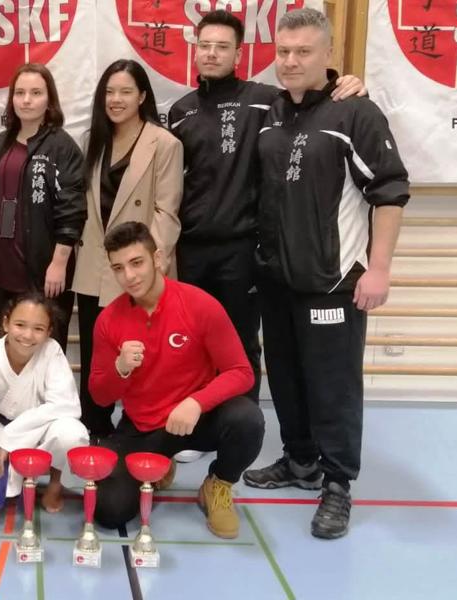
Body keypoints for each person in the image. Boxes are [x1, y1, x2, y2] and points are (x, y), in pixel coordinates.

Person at [166, 10, 365, 463]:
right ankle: (196, 430)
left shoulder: (268, 101)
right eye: (205, 45)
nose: (212, 53)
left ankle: (242, 433)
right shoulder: (181, 111)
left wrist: (348, 84)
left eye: (222, 46)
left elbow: (312, 101)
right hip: (191, 247)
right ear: (195, 51)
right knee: (191, 342)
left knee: (239, 344)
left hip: (244, 248)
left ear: (239, 53)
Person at [244, 8, 409, 540]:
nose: (289, 62)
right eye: (283, 51)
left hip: (332, 282)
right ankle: (299, 461)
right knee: (288, 380)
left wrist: (378, 269)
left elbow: (390, 193)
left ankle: (337, 485)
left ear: (329, 56)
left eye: (303, 53)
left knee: (332, 387)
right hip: (276, 279)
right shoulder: (270, 111)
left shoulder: (355, 114)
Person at [89, 223, 264, 539]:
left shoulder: (199, 305)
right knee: (109, 511)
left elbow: (241, 372)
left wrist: (197, 401)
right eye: (119, 267)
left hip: (194, 419)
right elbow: (100, 396)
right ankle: (159, 465)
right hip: (143, 427)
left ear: (157, 258)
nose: (129, 276)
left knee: (247, 419)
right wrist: (120, 369)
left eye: (137, 262)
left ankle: (218, 484)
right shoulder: (109, 320)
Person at [73, 59, 183, 441]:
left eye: (125, 91)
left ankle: (144, 429)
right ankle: (95, 429)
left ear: (142, 96)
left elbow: (166, 211)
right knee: (97, 354)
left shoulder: (164, 143)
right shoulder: (93, 141)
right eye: (109, 92)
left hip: (139, 269)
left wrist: (149, 264)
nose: (116, 99)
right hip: (93, 265)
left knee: (146, 355)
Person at [0, 292, 89, 526]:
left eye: (38, 328)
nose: (27, 335)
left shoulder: (51, 351)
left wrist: (12, 437)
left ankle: (54, 486)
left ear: (49, 332)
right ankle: (5, 485)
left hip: (38, 433)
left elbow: (67, 405)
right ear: (6, 323)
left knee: (72, 432)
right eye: (20, 325)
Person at [0, 63, 86, 350]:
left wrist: (59, 262)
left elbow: (72, 208)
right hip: (1, 267)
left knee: (46, 352)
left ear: (49, 99)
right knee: (4, 352)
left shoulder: (62, 146)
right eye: (20, 93)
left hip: (44, 268)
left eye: (36, 93)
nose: (26, 100)